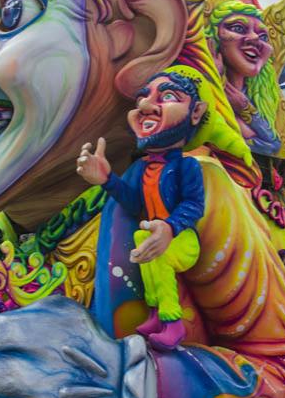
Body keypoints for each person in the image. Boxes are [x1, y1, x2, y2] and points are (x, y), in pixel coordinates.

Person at [77, 68, 207, 350]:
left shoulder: (187, 165)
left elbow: (194, 205)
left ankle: (172, 322)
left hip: (183, 239)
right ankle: (154, 312)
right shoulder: (143, 168)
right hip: (151, 232)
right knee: (141, 244)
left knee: (157, 254)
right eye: (141, 100)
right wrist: (107, 180)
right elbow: (134, 202)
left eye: (168, 96)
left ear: (195, 113)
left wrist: (170, 227)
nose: (145, 106)